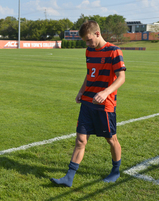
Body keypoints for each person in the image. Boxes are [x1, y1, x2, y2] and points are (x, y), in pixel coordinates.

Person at [50, 20, 126, 187]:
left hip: (105, 104)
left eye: (89, 39)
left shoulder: (114, 51)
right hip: (87, 102)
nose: (88, 43)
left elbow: (121, 77)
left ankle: (115, 171)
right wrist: (81, 91)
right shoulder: (89, 51)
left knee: (111, 139)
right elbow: (89, 75)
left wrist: (106, 92)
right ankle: (69, 177)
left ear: (97, 34)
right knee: (80, 140)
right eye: (86, 41)